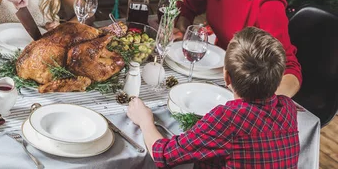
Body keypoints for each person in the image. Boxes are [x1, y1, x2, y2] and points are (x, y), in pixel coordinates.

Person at [127, 27, 300, 168]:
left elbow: (163, 156)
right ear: (278, 81)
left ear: (226, 77)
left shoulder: (228, 118)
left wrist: (145, 121)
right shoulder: (288, 107)